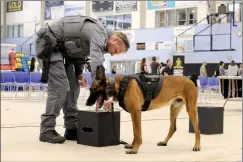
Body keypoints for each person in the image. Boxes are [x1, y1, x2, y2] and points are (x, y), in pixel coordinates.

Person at [35, 15, 130, 144]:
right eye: (116, 51)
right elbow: (96, 62)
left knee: (74, 87)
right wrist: (101, 90)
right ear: (114, 40)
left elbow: (79, 54)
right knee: (61, 87)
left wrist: (79, 73)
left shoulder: (99, 37)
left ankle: (71, 128)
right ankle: (46, 130)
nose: (112, 54)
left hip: (62, 52)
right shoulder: (98, 33)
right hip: (48, 45)